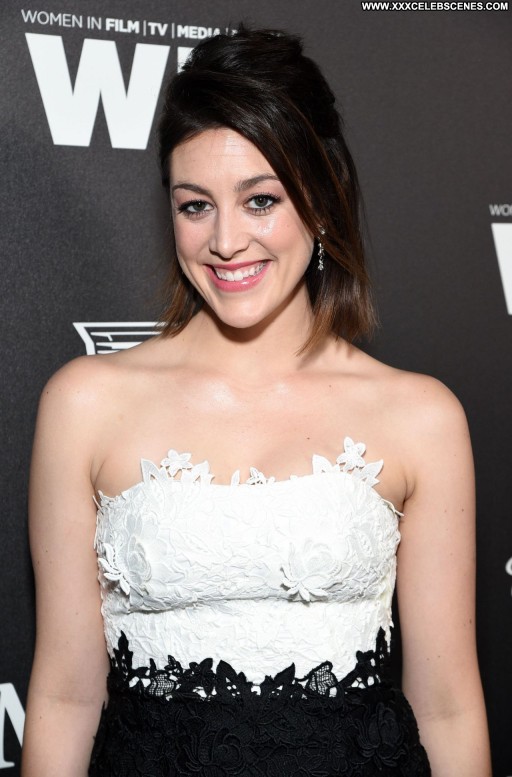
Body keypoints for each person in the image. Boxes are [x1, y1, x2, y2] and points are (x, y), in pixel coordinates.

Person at [22, 26, 491, 777]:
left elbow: (447, 707)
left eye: (261, 200)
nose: (226, 240)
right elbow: (66, 696)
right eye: (195, 205)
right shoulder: (85, 405)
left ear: (323, 200)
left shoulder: (420, 417)